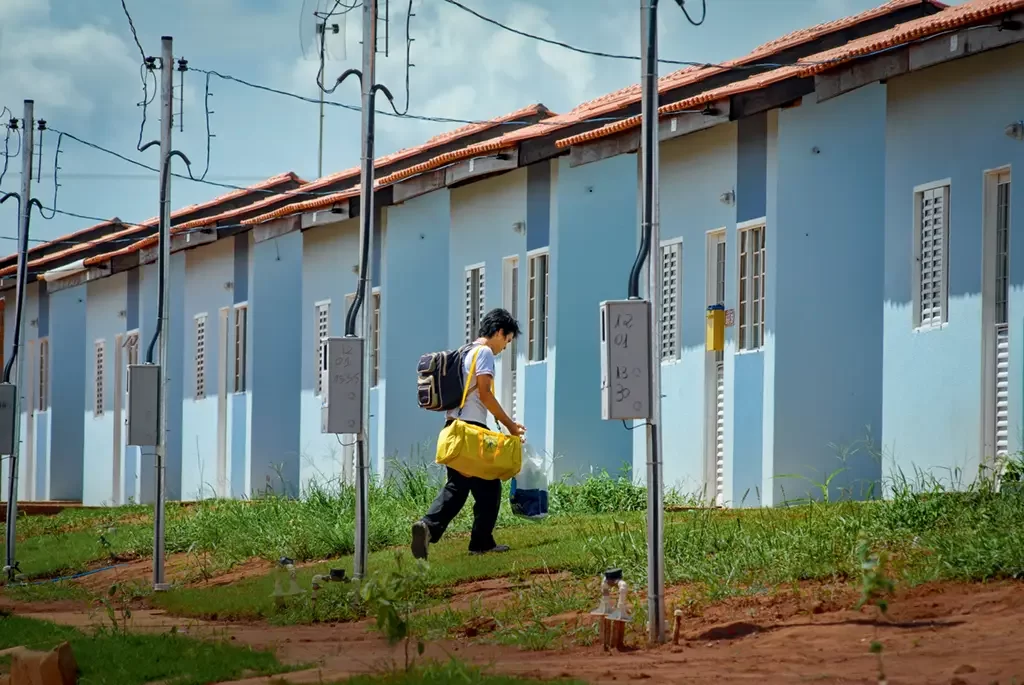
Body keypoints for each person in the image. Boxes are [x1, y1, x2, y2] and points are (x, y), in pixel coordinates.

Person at [411, 308, 527, 559]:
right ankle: (478, 542)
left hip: (453, 428)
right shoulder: (484, 353)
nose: (505, 347)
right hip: (473, 431)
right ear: (498, 332)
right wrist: (510, 425)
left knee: (461, 486)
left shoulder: (464, 351)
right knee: (488, 486)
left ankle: (428, 527)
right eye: (506, 340)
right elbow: (484, 393)